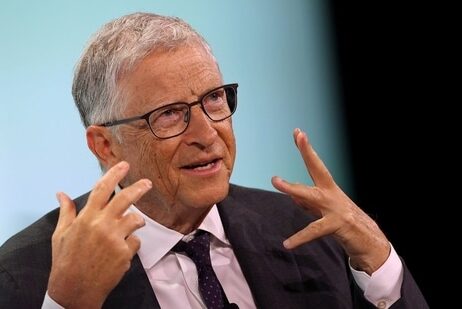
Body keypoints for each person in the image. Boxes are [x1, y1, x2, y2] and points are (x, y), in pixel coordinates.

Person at [0, 12, 428, 309]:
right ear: (104, 145)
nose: (207, 134)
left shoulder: (308, 233)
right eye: (169, 114)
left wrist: (379, 259)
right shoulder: (29, 276)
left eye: (214, 99)